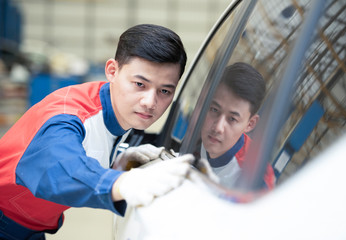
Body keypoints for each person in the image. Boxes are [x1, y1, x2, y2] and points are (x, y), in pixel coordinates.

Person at [0, 24, 194, 239]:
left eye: (165, 90)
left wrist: (118, 161)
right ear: (112, 71)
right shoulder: (68, 117)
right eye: (140, 84)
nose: (150, 102)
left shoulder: (114, 108)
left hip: (28, 227)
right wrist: (123, 183)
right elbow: (58, 168)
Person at [199, 62, 275, 189]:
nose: (218, 127)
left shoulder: (255, 178)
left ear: (250, 124)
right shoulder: (195, 134)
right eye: (214, 110)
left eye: (232, 119)